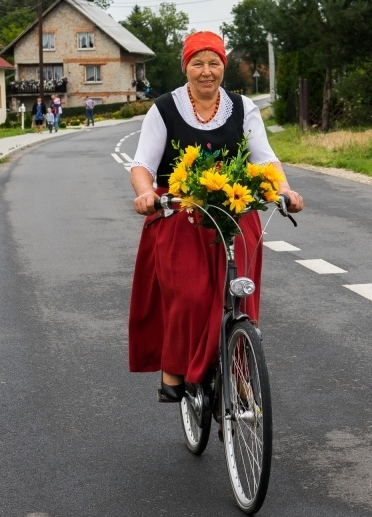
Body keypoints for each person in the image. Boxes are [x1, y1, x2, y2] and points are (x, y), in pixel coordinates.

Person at [128, 31, 303, 401]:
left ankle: (238, 368)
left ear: (224, 66)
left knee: (240, 297)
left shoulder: (243, 108)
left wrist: (284, 189)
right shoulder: (164, 108)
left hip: (235, 213)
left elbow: (265, 158)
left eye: (214, 63)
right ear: (185, 67)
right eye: (197, 63)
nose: (206, 71)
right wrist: (146, 193)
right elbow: (142, 163)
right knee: (191, 296)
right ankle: (175, 366)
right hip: (180, 214)